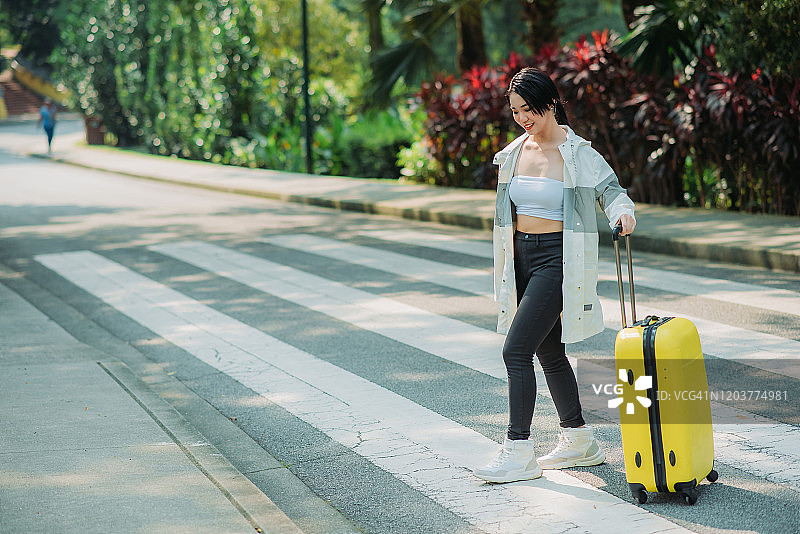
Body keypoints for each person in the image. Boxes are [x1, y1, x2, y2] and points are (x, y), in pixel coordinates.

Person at [473, 67, 636, 483]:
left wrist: (623, 214)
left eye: (529, 109)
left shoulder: (577, 154)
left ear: (550, 103)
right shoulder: (513, 153)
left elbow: (612, 192)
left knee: (515, 351)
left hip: (556, 260)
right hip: (521, 258)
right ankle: (579, 439)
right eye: (515, 111)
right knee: (547, 352)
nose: (523, 118)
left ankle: (518, 449)